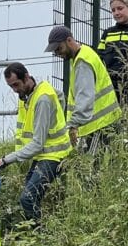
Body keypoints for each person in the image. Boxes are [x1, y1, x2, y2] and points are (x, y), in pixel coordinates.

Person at [0, 63, 72, 222]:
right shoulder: (30, 93)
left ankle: (40, 236)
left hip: (53, 155)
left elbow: (38, 143)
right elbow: (60, 96)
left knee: (28, 199)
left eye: (16, 85)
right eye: (11, 86)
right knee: (29, 195)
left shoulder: (42, 100)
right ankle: (36, 232)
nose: (14, 90)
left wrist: (5, 161)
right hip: (43, 155)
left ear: (26, 77)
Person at [44, 25, 122, 155]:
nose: (58, 53)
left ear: (69, 40)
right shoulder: (84, 54)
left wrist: (73, 124)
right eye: (55, 51)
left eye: (59, 48)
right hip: (100, 123)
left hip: (99, 125)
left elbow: (84, 97)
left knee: (92, 170)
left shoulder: (82, 63)